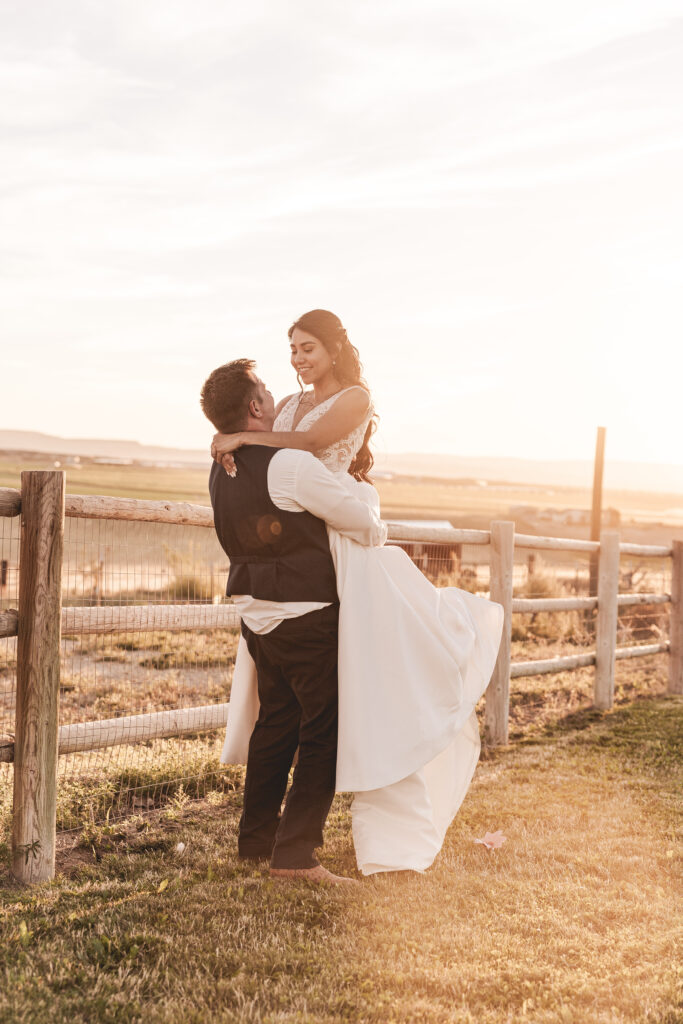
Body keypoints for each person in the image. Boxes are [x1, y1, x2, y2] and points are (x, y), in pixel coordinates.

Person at [213, 310, 504, 875]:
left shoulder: (354, 398)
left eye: (309, 348)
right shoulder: (288, 407)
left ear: (335, 348)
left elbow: (305, 445)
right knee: (299, 715)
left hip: (339, 538)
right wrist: (239, 439)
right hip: (307, 543)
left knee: (372, 683)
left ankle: (309, 832)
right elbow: (284, 451)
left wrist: (239, 435)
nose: (298, 359)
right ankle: (287, 847)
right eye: (292, 349)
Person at [200, 358, 386, 885]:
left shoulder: (222, 465)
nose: (276, 394)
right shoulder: (291, 465)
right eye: (266, 389)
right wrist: (369, 501)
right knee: (323, 731)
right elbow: (362, 524)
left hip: (255, 614)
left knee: (276, 724)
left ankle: (256, 843)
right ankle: (296, 857)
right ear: (257, 407)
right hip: (305, 613)